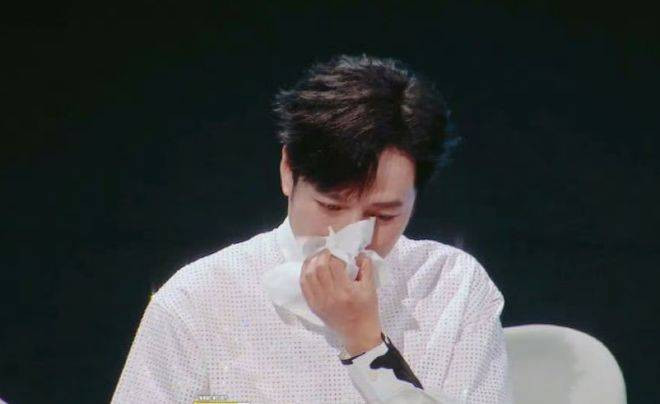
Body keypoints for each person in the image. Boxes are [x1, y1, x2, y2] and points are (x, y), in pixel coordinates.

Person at [111, 54, 512, 403]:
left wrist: (366, 342)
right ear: (288, 171)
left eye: (383, 215)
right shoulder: (197, 300)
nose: (352, 238)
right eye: (331, 206)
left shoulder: (452, 287)